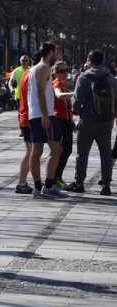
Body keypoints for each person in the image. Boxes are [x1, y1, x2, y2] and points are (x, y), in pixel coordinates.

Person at [67, 49, 116, 196]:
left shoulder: (83, 77)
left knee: (83, 152)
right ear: (102, 61)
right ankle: (106, 184)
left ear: (89, 61)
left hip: (88, 118)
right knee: (106, 153)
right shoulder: (110, 78)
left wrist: (75, 112)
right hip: (106, 120)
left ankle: (79, 183)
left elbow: (77, 99)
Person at [27, 42, 67, 199]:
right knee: (57, 149)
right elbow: (41, 93)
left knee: (37, 151)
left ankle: (38, 187)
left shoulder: (35, 68)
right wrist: (45, 115)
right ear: (51, 52)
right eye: (56, 51)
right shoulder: (43, 68)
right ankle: (47, 186)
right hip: (43, 114)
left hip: (35, 114)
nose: (57, 54)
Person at [14, 52, 38, 194]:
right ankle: (28, 183)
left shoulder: (26, 73)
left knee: (31, 151)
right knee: (32, 151)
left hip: (26, 115)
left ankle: (24, 183)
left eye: (26, 60)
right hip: (30, 117)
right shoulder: (31, 74)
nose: (24, 62)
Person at [51, 61, 75, 188]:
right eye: (61, 71)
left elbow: (67, 106)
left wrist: (71, 121)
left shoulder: (64, 85)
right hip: (59, 121)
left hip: (66, 121)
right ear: (55, 72)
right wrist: (74, 94)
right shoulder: (57, 84)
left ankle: (58, 177)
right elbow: (58, 95)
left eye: (66, 70)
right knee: (60, 150)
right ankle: (54, 177)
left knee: (67, 150)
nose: (65, 73)